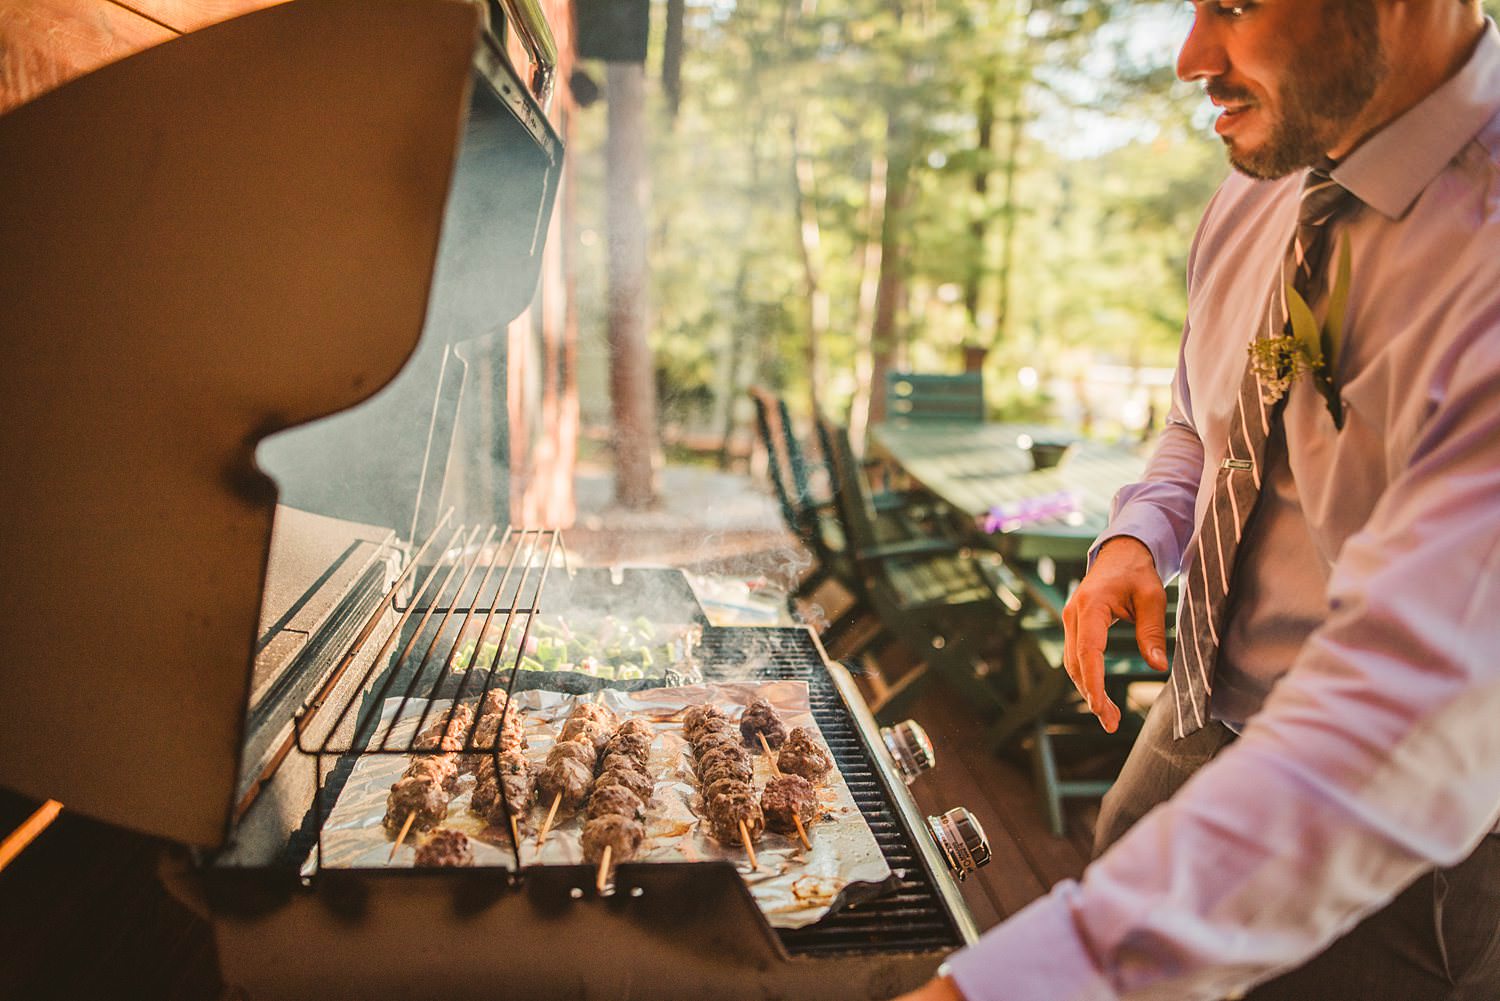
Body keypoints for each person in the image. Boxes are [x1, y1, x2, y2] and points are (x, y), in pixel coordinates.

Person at [897, 0, 1500, 998]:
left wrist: (1022, 984)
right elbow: (1218, 415)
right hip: (1193, 715)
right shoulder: (1270, 194)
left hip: (1401, 843)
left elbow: (1410, 710)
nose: (1189, 60)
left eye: (1234, 5)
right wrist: (1141, 533)